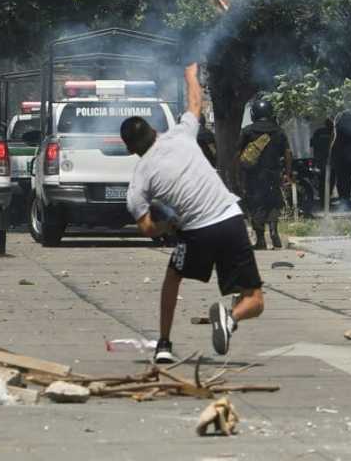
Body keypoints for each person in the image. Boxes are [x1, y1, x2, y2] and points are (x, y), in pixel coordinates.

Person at [123, 63, 264, 365]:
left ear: (130, 150)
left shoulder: (139, 180)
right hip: (229, 218)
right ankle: (231, 317)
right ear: (155, 131)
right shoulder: (181, 134)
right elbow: (196, 101)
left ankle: (163, 343)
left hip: (196, 232)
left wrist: (167, 223)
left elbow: (147, 228)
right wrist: (190, 72)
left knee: (173, 277)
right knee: (254, 299)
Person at [237, 98, 292, 250]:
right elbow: (287, 154)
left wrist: (238, 174)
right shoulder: (279, 131)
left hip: (253, 176)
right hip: (274, 174)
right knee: (274, 203)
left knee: (256, 206)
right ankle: (274, 230)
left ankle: (260, 239)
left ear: (254, 113)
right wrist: (287, 174)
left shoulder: (248, 131)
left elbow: (238, 153)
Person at [310, 118, 335, 202]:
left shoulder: (320, 132)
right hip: (326, 160)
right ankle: (324, 198)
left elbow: (312, 144)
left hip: (326, 160)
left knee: (326, 179)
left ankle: (325, 198)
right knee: (326, 179)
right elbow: (313, 145)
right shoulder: (333, 132)